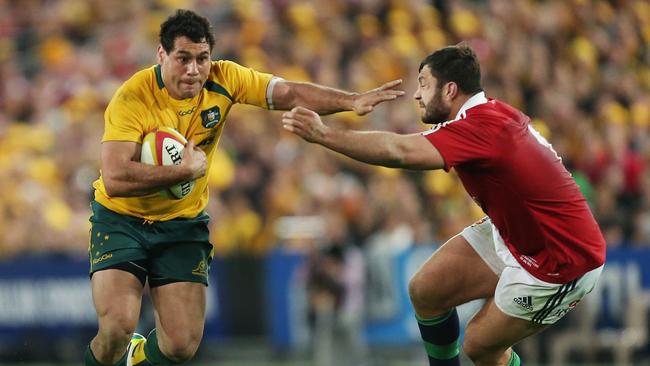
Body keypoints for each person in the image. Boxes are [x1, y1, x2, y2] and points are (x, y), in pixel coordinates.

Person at [86, 9, 404, 366]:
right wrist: (183, 172)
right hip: (122, 220)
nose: (194, 70)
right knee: (116, 328)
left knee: (180, 346)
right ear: (161, 55)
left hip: (181, 223)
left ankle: (136, 358)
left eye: (202, 58)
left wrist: (350, 101)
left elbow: (287, 91)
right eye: (183, 58)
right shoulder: (133, 97)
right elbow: (114, 179)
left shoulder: (225, 78)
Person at [281, 43, 606, 366]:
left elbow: (400, 152)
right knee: (427, 291)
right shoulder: (485, 115)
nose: (416, 95)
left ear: (450, 90)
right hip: (519, 235)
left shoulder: (481, 127)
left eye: (423, 83)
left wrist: (324, 135)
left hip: (563, 261)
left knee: (479, 346)